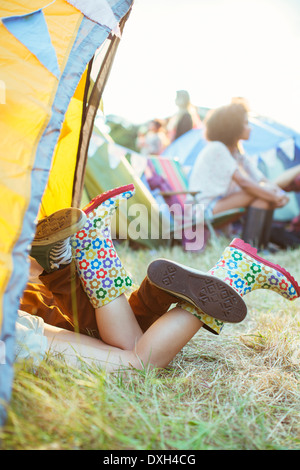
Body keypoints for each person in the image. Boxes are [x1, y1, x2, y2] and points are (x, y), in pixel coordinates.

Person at [16, 185, 300, 370]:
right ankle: (90, 242)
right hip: (17, 322)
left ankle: (234, 273)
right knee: (125, 339)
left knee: (138, 363)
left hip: (14, 334)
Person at [188, 100, 290, 249]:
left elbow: (260, 178)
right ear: (233, 127)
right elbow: (243, 182)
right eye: (246, 123)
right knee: (257, 193)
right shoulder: (217, 148)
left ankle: (257, 247)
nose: (250, 128)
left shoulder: (236, 152)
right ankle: (248, 249)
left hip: (220, 205)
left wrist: (278, 192)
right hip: (203, 209)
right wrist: (274, 195)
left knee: (262, 198)